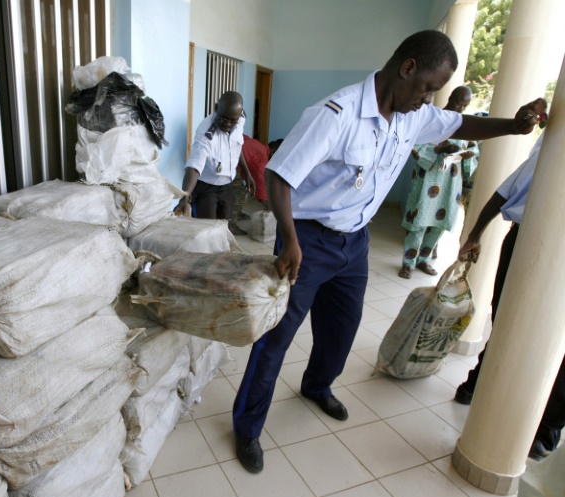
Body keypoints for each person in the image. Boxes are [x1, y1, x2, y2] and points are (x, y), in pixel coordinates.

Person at [231, 29, 547, 474]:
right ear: (408, 67)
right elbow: (280, 177)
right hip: (308, 239)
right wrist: (291, 238)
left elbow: (462, 125)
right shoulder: (335, 114)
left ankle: (317, 386)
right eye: (427, 88)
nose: (428, 99)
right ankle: (246, 427)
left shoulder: (412, 115)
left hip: (355, 242)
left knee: (342, 329)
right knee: (277, 334)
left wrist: (513, 127)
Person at [454, 132, 562, 461]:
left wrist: (475, 233)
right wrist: (473, 234)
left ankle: (544, 427)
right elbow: (507, 190)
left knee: (518, 327)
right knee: (507, 321)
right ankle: (480, 384)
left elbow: (504, 191)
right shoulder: (554, 149)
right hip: (528, 244)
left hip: (534, 245)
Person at [398, 85, 479, 279]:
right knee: (418, 223)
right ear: (450, 97)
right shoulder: (432, 120)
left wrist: (467, 155)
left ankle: (423, 260)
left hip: (450, 185)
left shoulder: (463, 125)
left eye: (464, 106)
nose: (460, 108)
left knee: (438, 225)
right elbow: (415, 145)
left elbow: (473, 152)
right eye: (458, 102)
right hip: (427, 182)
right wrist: (440, 150)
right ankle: (408, 263)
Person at [174, 92, 255, 222]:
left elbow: (236, 146)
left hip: (227, 185)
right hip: (206, 187)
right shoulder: (206, 135)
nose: (228, 124)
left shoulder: (240, 119)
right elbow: (194, 167)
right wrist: (185, 196)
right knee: (206, 229)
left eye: (232, 120)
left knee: (224, 226)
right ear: (216, 108)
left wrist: (247, 172)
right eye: (223, 118)